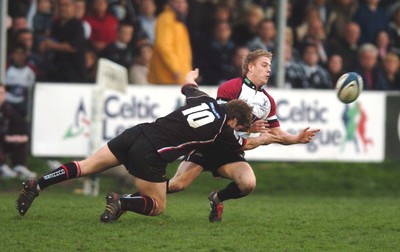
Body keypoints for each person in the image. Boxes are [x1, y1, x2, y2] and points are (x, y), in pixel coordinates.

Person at [16, 68, 282, 222]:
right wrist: (263, 140)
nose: (238, 130)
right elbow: (241, 147)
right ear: (234, 119)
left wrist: (191, 74)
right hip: (153, 154)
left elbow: (188, 85)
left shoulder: (202, 100)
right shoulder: (224, 130)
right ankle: (122, 202)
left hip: (138, 132)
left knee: (86, 165)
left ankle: (38, 184)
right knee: (158, 205)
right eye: (240, 126)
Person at [167, 49, 320, 222]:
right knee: (177, 185)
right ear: (251, 67)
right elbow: (221, 123)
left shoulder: (268, 101)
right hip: (209, 144)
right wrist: (249, 127)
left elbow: (276, 132)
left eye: (270, 66)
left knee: (248, 184)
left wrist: (296, 139)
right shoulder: (231, 87)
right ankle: (137, 197)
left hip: (231, 149)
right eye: (264, 65)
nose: (269, 69)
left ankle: (216, 199)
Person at [148, 0, 192, 84]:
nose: (182, 5)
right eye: (179, 2)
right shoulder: (166, 19)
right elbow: (163, 45)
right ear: (171, 3)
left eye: (184, 2)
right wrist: (175, 68)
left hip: (177, 78)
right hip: (167, 78)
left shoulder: (177, 20)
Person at [0, 84, 36, 180]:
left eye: (2, 94)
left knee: (21, 138)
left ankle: (19, 166)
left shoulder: (8, 109)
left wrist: (22, 136)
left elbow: (20, 123)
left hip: (5, 141)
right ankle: (2, 167)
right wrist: (5, 137)